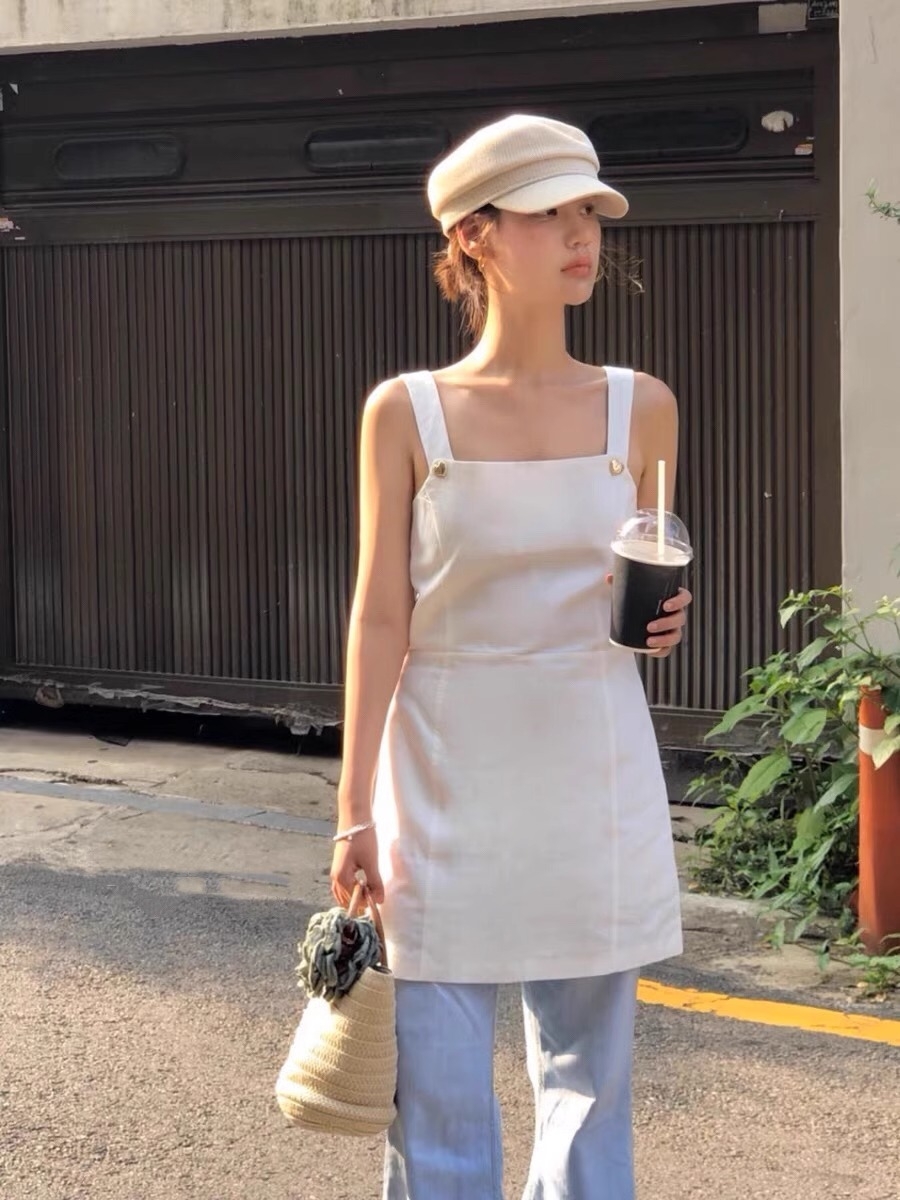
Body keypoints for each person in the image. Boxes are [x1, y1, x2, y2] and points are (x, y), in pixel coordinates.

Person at [330, 114, 693, 1200]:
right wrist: (353, 809)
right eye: (550, 214)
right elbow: (380, 616)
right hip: (440, 776)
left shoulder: (642, 407)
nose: (583, 235)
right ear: (474, 235)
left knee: (591, 1090)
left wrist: (667, 619)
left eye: (589, 211)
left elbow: (646, 568)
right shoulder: (406, 413)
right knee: (437, 1097)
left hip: (594, 766)